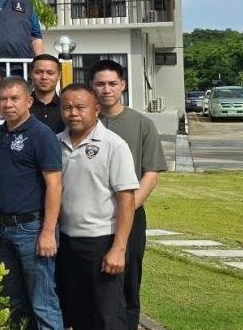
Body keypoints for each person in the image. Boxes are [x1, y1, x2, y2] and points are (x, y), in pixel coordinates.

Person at [90, 60, 166, 330]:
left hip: (131, 214)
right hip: (90, 218)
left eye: (112, 83)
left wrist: (127, 207)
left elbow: (151, 174)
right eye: (100, 84)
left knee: (129, 280)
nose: (106, 89)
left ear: (123, 85)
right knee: (93, 281)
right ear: (91, 86)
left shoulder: (142, 124)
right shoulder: (83, 120)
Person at [56, 84, 139, 330]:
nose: (73, 113)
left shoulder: (114, 145)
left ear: (96, 109)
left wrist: (118, 249)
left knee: (107, 315)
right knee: (77, 314)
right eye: (67, 107)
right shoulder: (55, 142)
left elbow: (126, 199)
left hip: (101, 242)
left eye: (80, 107)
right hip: (65, 242)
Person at [0, 77, 64, 330]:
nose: (8, 104)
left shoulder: (41, 135)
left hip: (33, 228)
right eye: (3, 99)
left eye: (14, 98)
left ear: (29, 101)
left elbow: (55, 185)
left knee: (43, 302)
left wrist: (48, 232)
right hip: (4, 229)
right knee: (12, 302)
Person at [30, 55, 65, 133]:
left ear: (59, 76)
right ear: (30, 74)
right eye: (38, 72)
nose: (44, 77)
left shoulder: (66, 107)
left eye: (50, 73)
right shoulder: (22, 106)